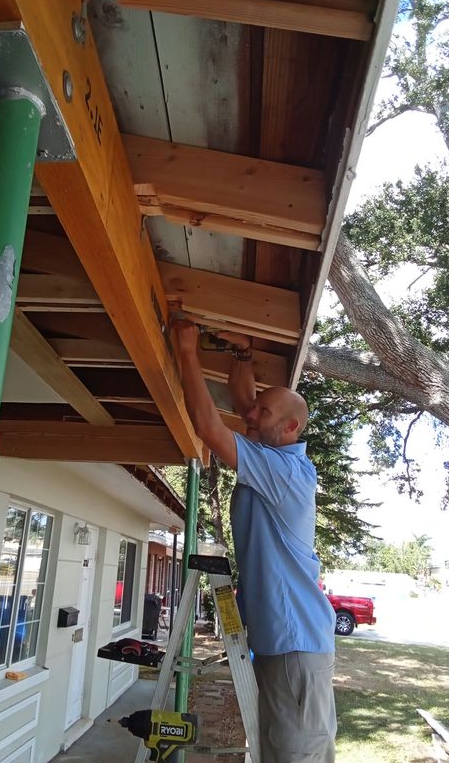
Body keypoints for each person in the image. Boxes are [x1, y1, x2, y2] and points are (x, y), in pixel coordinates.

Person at [172, 319, 337, 763]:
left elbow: (210, 428)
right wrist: (242, 355)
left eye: (263, 413)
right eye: (258, 407)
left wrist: (187, 352)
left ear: (290, 429)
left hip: (295, 644)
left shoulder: (283, 472)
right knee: (271, 750)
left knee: (295, 754)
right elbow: (244, 399)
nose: (249, 413)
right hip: (279, 642)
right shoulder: (272, 452)